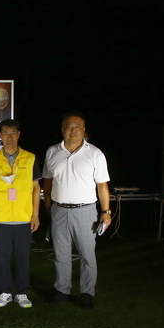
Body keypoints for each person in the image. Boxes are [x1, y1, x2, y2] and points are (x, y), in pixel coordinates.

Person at [42, 111, 112, 309]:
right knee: (61, 253)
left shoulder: (95, 153)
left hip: (85, 211)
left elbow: (102, 186)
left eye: (77, 127)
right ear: (62, 130)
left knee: (87, 255)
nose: (73, 130)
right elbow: (47, 183)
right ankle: (62, 289)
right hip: (59, 210)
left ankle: (87, 292)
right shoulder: (52, 152)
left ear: (84, 130)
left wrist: (105, 211)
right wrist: (49, 207)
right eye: (68, 127)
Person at [0, 119, 41, 308]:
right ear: (0, 136)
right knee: (3, 257)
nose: (9, 137)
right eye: (5, 133)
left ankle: (22, 292)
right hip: (1, 218)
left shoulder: (30, 158)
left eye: (13, 133)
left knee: (23, 257)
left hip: (24, 217)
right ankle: (5, 291)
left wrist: (35, 215)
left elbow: (35, 188)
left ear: (18, 134)